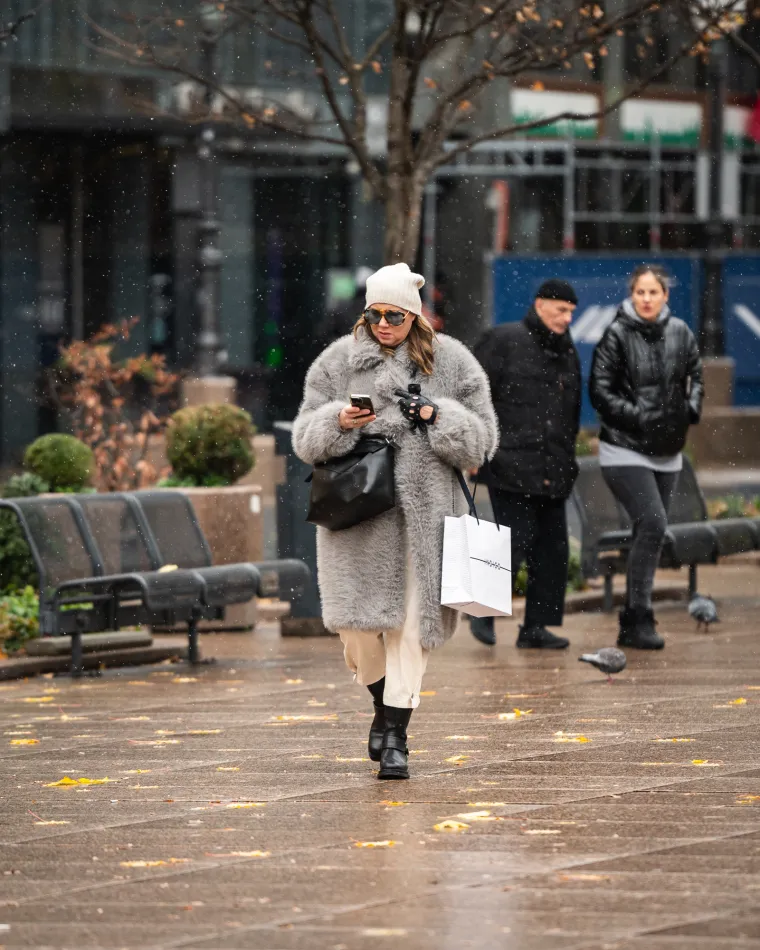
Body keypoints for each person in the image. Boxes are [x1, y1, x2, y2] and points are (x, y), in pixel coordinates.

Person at [293, 263, 498, 780]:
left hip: (427, 520)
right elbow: (304, 439)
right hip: (357, 519)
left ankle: (396, 737)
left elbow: (483, 442)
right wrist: (338, 422)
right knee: (356, 631)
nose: (384, 324)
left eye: (395, 316)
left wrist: (436, 417)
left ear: (415, 317)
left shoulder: (452, 362)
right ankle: (383, 709)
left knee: (410, 629)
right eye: (375, 314)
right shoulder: (336, 363)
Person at [590, 264, 704, 650]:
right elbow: (600, 392)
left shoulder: (681, 332)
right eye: (640, 292)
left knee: (648, 533)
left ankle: (632, 623)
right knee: (654, 522)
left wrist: (688, 410)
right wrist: (641, 417)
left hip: (668, 451)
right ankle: (639, 614)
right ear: (632, 295)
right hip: (624, 448)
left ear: (665, 296)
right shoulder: (617, 333)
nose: (647, 299)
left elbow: (697, 376)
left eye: (654, 292)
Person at [469, 279, 581, 650]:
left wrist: (567, 458)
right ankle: (483, 614)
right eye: (561, 310)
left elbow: (571, 412)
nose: (567, 318)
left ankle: (537, 627)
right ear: (540, 304)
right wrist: (472, 447)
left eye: (571, 312)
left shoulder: (566, 351)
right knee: (510, 542)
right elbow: (474, 394)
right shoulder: (503, 340)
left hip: (553, 466)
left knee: (553, 550)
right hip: (511, 462)